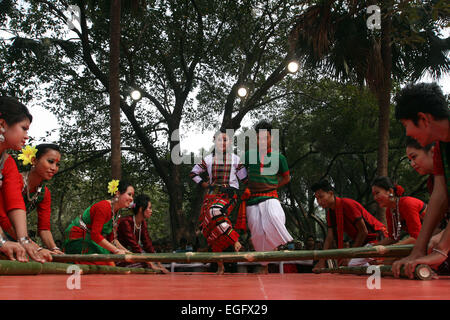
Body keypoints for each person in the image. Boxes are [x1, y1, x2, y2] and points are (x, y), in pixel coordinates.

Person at [392, 82, 450, 278]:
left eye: (406, 125)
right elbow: (440, 195)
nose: (407, 133)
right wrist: (418, 249)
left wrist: (441, 248)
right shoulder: (443, 147)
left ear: (423, 119)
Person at [0, 96, 50, 263]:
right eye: (24, 128)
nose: (27, 136)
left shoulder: (8, 163)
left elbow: (15, 203)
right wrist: (2, 241)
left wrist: (25, 240)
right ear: (2, 125)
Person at [190, 129, 247, 274]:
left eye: (226, 140)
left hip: (229, 193)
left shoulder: (235, 159)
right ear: (214, 141)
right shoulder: (208, 159)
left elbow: (245, 179)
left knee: (214, 212)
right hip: (212, 194)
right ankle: (220, 265)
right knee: (209, 226)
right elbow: (193, 173)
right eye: (220, 140)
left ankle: (235, 240)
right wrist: (204, 184)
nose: (223, 143)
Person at [239, 120, 293, 274]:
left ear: (271, 138)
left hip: (270, 196)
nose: (262, 140)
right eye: (259, 137)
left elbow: (287, 178)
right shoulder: (248, 155)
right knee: (257, 232)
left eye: (266, 137)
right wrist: (246, 186)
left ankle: (286, 243)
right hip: (252, 198)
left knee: (275, 217)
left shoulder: (279, 157)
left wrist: (273, 185)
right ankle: (264, 265)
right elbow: (240, 172)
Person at [311, 179, 388, 272]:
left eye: (321, 197)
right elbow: (329, 237)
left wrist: (349, 255)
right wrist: (322, 261)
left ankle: (379, 267)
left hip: (378, 238)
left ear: (331, 193)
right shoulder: (330, 213)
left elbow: (363, 232)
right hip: (364, 244)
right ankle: (376, 267)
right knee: (349, 266)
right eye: (317, 198)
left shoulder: (347, 204)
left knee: (350, 264)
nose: (319, 201)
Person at [0, 144, 63, 255]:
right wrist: (35, 247)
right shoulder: (16, 180)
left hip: (18, 237)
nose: (54, 168)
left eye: (57, 164)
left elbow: (44, 229)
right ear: (34, 160)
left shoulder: (44, 193)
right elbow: (3, 218)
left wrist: (55, 249)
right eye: (50, 161)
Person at [63, 180, 134, 265]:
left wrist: (127, 252)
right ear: (118, 193)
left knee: (110, 264)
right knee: (108, 263)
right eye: (129, 194)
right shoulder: (103, 207)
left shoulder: (117, 214)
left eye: (132, 196)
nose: (131, 198)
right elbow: (95, 235)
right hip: (78, 236)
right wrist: (116, 251)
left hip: (91, 239)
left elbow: (112, 239)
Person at [117, 194, 169, 273]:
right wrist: (152, 265)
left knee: (149, 264)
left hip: (133, 256)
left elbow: (148, 245)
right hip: (120, 257)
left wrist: (159, 264)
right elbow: (135, 246)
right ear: (141, 209)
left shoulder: (143, 223)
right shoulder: (126, 222)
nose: (151, 210)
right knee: (147, 265)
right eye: (149, 208)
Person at [371, 177, 427, 246]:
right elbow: (392, 238)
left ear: (390, 191)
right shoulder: (389, 210)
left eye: (377, 193)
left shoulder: (407, 204)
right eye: (373, 195)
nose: (375, 198)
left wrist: (391, 248)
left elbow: (417, 237)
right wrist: (372, 246)